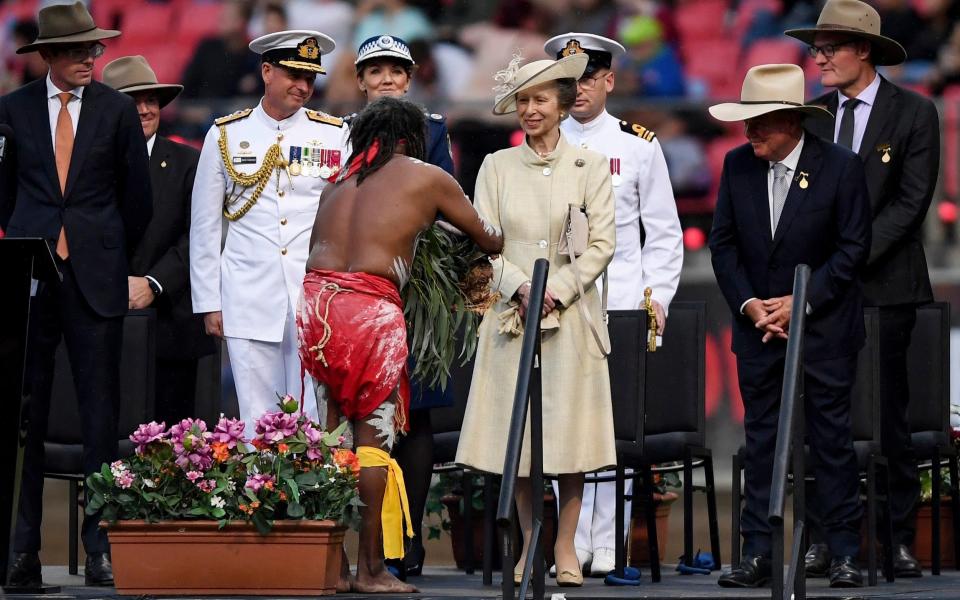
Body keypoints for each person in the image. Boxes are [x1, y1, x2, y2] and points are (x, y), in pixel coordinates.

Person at [298, 96, 503, 593]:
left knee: (332, 440)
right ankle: (371, 570)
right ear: (411, 139)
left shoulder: (337, 183)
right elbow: (489, 238)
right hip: (370, 310)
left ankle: (334, 565)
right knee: (373, 444)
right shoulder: (425, 175)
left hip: (315, 306)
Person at [785, 0, 941, 578]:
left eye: (829, 47)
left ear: (864, 51)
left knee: (888, 419)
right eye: (816, 48)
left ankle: (897, 537)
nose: (818, 57)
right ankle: (825, 537)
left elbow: (910, 204)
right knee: (823, 421)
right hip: (826, 290)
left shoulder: (914, 113)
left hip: (885, 288)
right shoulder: (814, 116)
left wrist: (847, 257)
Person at [0, 1, 152, 587]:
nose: (88, 58)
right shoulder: (11, 110)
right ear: (46, 57)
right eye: (73, 51)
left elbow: (137, 201)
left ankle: (101, 548)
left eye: (92, 48)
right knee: (26, 418)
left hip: (96, 276)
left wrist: (103, 249)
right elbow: (4, 192)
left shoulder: (116, 111)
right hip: (31, 276)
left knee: (100, 415)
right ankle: (21, 551)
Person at [455, 52, 617, 588]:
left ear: (563, 104)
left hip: (570, 318)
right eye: (522, 101)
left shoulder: (590, 165)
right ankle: (530, 546)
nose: (530, 110)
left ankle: (566, 547)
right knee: (519, 442)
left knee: (570, 440)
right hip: (511, 316)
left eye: (540, 99)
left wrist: (557, 291)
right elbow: (483, 243)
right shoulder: (496, 167)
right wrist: (522, 287)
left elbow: (600, 246)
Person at [708, 63, 870, 589]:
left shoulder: (841, 167)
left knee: (830, 440)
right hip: (758, 330)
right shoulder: (737, 166)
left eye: (761, 122)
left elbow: (853, 249)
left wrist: (801, 301)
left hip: (824, 329)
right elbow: (724, 244)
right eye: (746, 121)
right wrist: (752, 304)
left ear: (793, 122)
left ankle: (843, 550)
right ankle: (757, 553)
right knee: (761, 441)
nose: (749, 132)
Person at [542, 32, 683, 577]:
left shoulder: (637, 144)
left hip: (620, 299)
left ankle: (610, 539)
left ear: (608, 81)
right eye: (568, 79)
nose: (577, 89)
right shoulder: (541, 143)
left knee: (614, 426)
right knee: (562, 423)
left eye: (587, 78)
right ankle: (569, 542)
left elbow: (664, 234)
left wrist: (657, 299)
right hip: (559, 301)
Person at [190, 30, 349, 431]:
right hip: (246, 291)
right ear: (266, 71)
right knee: (256, 416)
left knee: (314, 413)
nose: (303, 86)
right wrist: (209, 301)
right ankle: (259, 494)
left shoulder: (334, 134)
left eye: (310, 78)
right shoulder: (226, 134)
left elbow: (346, 218)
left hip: (314, 295)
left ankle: (315, 495)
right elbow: (205, 226)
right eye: (294, 74)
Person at [348, 33, 454, 578]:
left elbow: (444, 206)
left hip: (415, 294)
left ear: (409, 79)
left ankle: (405, 544)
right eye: (376, 70)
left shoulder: (431, 130)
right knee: (362, 418)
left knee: (415, 417)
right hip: (356, 295)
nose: (386, 78)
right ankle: (362, 548)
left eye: (396, 70)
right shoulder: (338, 134)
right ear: (360, 80)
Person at [102, 55, 216, 425]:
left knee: (171, 450)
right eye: (133, 101)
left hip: (171, 327)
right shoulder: (88, 163)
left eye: (151, 100)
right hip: (103, 320)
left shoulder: (189, 161)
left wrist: (153, 283)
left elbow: (199, 235)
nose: (146, 109)